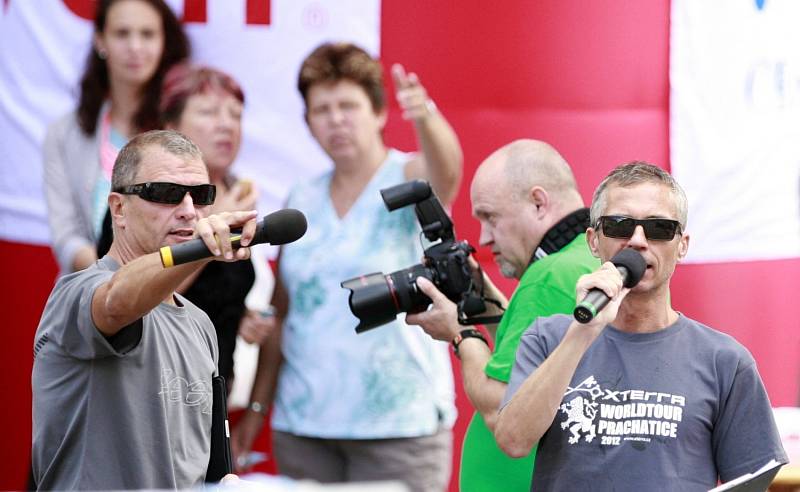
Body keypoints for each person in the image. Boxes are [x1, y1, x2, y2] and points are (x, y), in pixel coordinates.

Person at [233, 42, 463, 490]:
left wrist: (425, 117)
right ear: (307, 122)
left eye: (348, 105)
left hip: (399, 426)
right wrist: (258, 409)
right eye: (322, 109)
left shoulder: (408, 176)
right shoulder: (301, 197)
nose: (336, 119)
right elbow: (284, 312)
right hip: (305, 426)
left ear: (378, 113)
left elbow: (447, 174)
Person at [494, 162, 788, 490]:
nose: (637, 240)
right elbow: (513, 441)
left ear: (682, 245)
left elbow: (753, 479)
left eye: (659, 228)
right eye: (619, 225)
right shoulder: (547, 338)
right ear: (593, 240)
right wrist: (583, 332)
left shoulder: (725, 360)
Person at [31, 130, 258, 490]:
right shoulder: (76, 292)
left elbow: (214, 467)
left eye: (201, 196)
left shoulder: (201, 325)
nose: (188, 211)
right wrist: (200, 251)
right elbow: (117, 301)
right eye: (166, 194)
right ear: (119, 209)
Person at [406, 139, 599, 491]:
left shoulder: (549, 277)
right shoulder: (586, 258)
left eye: (490, 217)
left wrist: (461, 333)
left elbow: (503, 406)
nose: (483, 237)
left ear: (538, 202)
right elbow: (534, 363)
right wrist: (482, 296)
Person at [43, 0, 189, 275]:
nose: (135, 46)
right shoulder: (64, 133)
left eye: (147, 34)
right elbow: (66, 237)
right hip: (89, 298)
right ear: (101, 40)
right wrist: (113, 280)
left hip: (167, 296)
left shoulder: (183, 129)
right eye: (122, 33)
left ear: (164, 43)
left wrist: (143, 281)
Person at [159, 63, 272, 383]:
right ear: (172, 126)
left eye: (235, 114)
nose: (227, 125)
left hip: (216, 392)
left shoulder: (239, 194)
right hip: (159, 389)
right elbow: (138, 298)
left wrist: (241, 318)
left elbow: (209, 299)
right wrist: (209, 225)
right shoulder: (146, 197)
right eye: (209, 112)